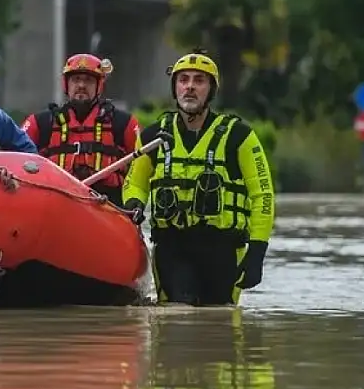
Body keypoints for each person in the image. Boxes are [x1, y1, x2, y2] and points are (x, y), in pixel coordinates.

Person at [123, 50, 276, 306]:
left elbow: (262, 195)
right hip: (172, 248)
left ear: (211, 90)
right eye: (183, 80)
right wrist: (134, 203)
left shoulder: (239, 136)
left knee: (219, 325)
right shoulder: (153, 137)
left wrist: (257, 251)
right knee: (177, 321)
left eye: (199, 80)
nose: (190, 87)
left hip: (223, 250)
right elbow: (135, 183)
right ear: (175, 88)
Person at [21, 53, 141, 204]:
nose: (81, 86)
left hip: (108, 205)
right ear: (66, 84)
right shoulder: (40, 123)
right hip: (55, 203)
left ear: (99, 86)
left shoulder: (124, 123)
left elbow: (142, 168)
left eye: (89, 80)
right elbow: (17, 161)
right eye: (76, 79)